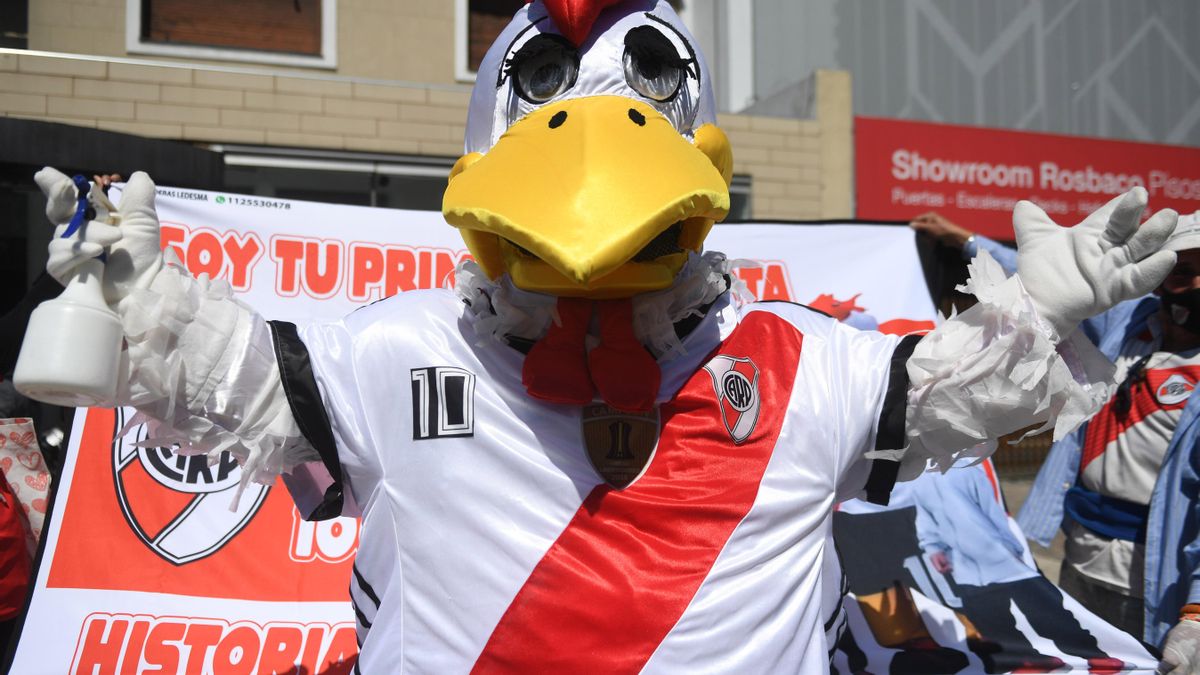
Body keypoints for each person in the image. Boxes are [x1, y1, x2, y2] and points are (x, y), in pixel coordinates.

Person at [24, 1, 1179, 670]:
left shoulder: (799, 364)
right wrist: (142, 301)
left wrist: (1043, 309)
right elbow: (226, 379)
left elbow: (955, 395)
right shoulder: (399, 352)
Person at [912, 210, 1200, 675]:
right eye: (1181, 270)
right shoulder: (1129, 322)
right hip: (1081, 556)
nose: (1194, 284)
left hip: (1159, 576)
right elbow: (1049, 281)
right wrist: (963, 239)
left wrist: (1197, 612)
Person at [913, 465, 1119, 673]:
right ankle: (1029, 661)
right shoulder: (919, 479)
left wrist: (1013, 548)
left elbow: (993, 511)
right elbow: (925, 518)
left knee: (1043, 612)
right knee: (990, 621)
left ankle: (1094, 654)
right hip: (964, 567)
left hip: (999, 556)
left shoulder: (965, 469)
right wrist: (933, 548)